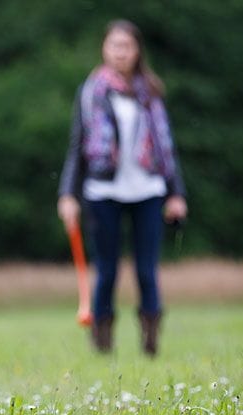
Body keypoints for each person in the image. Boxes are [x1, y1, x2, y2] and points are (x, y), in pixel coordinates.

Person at [57, 19, 188, 356]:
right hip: (103, 191)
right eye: (114, 46)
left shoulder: (150, 92)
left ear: (137, 51)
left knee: (147, 269)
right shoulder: (92, 92)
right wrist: (67, 194)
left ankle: (151, 339)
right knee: (108, 270)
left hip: (148, 188)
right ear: (104, 48)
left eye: (127, 46)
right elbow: (77, 146)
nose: (120, 53)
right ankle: (102, 342)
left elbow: (165, 146)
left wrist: (177, 193)